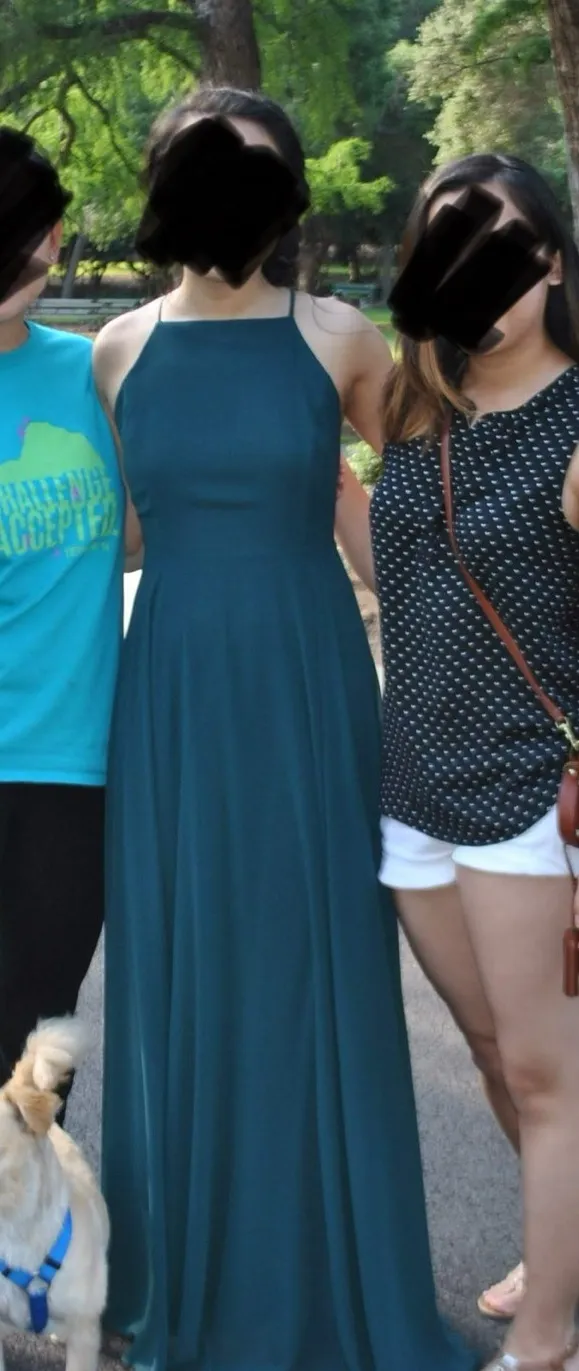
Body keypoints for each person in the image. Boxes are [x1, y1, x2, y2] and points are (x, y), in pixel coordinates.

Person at [93, 87, 480, 1371]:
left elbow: (425, 499)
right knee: (188, 969)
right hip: (171, 697)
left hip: (308, 690)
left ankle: (330, 1280)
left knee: (309, 964)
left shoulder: (340, 337)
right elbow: (120, 529)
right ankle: (187, 1284)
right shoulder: (118, 351)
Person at [371, 152, 579, 1371]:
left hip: (527, 796)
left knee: (550, 1078)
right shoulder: (420, 412)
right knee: (498, 1054)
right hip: (415, 789)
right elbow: (392, 561)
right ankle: (562, 1251)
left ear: (551, 263)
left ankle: (547, 1338)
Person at [0, 128, 124, 1119]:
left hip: (70, 764)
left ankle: (29, 1206)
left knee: (41, 1032)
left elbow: (144, 526)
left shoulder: (94, 373)